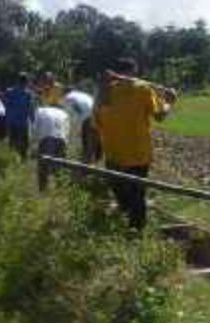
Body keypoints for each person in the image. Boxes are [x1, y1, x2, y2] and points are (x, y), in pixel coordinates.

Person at [92, 57, 173, 230]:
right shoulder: (143, 88)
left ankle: (126, 219)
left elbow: (96, 121)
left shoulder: (103, 93)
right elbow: (159, 116)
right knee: (137, 195)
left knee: (120, 190)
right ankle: (136, 231)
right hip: (138, 154)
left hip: (113, 153)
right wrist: (169, 102)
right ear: (133, 71)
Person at [33, 97, 71, 192]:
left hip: (47, 138)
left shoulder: (40, 110)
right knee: (59, 167)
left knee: (43, 167)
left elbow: (35, 127)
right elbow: (67, 130)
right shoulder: (64, 113)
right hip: (61, 139)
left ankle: (43, 191)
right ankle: (61, 190)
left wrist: (35, 143)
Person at [3, 73, 37, 158]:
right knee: (24, 145)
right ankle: (23, 161)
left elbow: (6, 106)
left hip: (11, 122)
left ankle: (10, 161)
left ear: (17, 81)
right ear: (26, 82)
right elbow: (31, 109)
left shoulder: (9, 91)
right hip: (23, 123)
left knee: (12, 143)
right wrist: (33, 122)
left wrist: (7, 119)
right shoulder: (28, 93)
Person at [61, 87, 98, 162]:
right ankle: (92, 161)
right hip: (96, 114)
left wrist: (77, 127)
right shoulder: (82, 94)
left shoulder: (67, 97)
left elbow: (74, 112)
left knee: (87, 142)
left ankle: (87, 163)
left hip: (87, 117)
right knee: (93, 140)